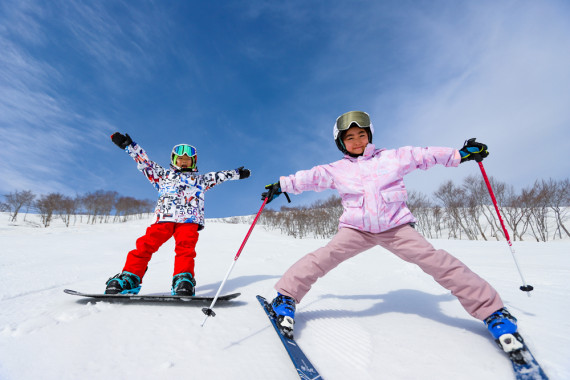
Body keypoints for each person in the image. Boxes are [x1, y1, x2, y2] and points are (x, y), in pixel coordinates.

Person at [260, 110, 518, 346]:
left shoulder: (392, 157)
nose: (357, 141)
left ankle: (493, 312)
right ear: (341, 143)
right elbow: (309, 178)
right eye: (350, 137)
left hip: (396, 227)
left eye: (362, 134)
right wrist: (281, 185)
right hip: (356, 229)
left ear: (369, 135)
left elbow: (423, 155)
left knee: (438, 262)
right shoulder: (336, 170)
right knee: (322, 258)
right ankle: (285, 298)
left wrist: (458, 155)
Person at [105, 132, 250, 296]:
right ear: (174, 160)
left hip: (189, 221)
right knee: (145, 245)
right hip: (164, 219)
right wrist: (129, 146)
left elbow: (218, 176)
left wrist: (237, 173)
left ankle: (183, 279)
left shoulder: (200, 180)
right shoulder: (163, 176)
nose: (183, 161)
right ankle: (130, 277)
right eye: (180, 159)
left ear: (193, 162)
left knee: (186, 248)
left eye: (187, 159)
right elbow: (145, 163)